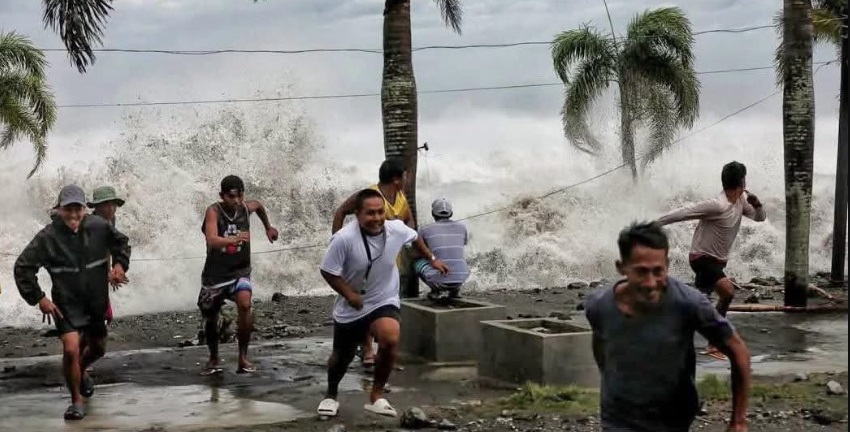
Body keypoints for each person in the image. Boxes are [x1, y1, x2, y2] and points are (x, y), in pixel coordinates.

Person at [585, 221, 751, 432]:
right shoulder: (599, 306)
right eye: (641, 272)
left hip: (672, 417)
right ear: (621, 267)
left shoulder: (688, 303)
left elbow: (738, 350)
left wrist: (738, 421)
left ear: (668, 265)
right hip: (619, 418)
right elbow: (600, 343)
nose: (651, 282)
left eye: (658, 271)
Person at [317, 188, 448, 418]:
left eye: (380, 212)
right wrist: (349, 294)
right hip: (353, 305)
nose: (377, 218)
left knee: (390, 338)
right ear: (357, 214)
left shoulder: (395, 229)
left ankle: (376, 396)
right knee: (342, 357)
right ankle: (331, 394)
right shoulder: (344, 239)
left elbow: (415, 238)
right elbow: (328, 271)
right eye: (370, 213)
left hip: (383, 298)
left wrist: (432, 259)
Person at [14, 185, 131, 421]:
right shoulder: (47, 237)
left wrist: (119, 266)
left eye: (77, 208)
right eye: (68, 209)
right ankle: (76, 401)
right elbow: (23, 268)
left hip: (96, 301)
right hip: (66, 304)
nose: (73, 214)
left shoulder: (99, 226)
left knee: (98, 349)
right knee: (70, 349)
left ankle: (78, 370)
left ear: (85, 210)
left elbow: (122, 243)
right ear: (59, 210)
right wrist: (39, 298)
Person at [656, 161, 766, 359]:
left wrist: (758, 205)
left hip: (717, 261)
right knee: (728, 292)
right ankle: (714, 343)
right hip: (701, 258)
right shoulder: (717, 205)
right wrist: (653, 223)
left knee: (699, 303)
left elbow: (760, 218)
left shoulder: (741, 201)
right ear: (741, 182)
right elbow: (683, 213)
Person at [332, 158, 415, 369]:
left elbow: (408, 218)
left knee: (384, 306)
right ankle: (367, 351)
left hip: (387, 262)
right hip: (362, 261)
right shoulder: (370, 196)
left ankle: (383, 355)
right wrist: (336, 242)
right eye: (406, 175)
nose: (408, 179)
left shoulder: (400, 196)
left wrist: (408, 239)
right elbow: (341, 211)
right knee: (364, 304)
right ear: (397, 178)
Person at [197, 175, 279, 375]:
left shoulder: (245, 207)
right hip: (215, 275)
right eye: (231, 197)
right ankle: (214, 357)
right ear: (222, 196)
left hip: (240, 271)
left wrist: (268, 227)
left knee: (245, 305)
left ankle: (243, 358)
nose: (236, 201)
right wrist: (233, 239)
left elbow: (258, 205)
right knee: (210, 317)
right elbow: (211, 240)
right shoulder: (213, 211)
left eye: (240, 196)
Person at [414, 198, 470, 302]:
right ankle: (455, 290)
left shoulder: (424, 229)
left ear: (432, 213)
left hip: (437, 280)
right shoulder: (462, 227)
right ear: (451, 213)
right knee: (458, 257)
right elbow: (463, 244)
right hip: (461, 276)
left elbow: (421, 250)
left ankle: (435, 290)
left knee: (417, 262)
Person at [87, 185, 127, 325]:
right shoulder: (91, 227)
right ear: (96, 207)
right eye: (105, 205)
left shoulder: (111, 219)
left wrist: (115, 268)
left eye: (113, 205)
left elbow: (110, 248)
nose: (110, 209)